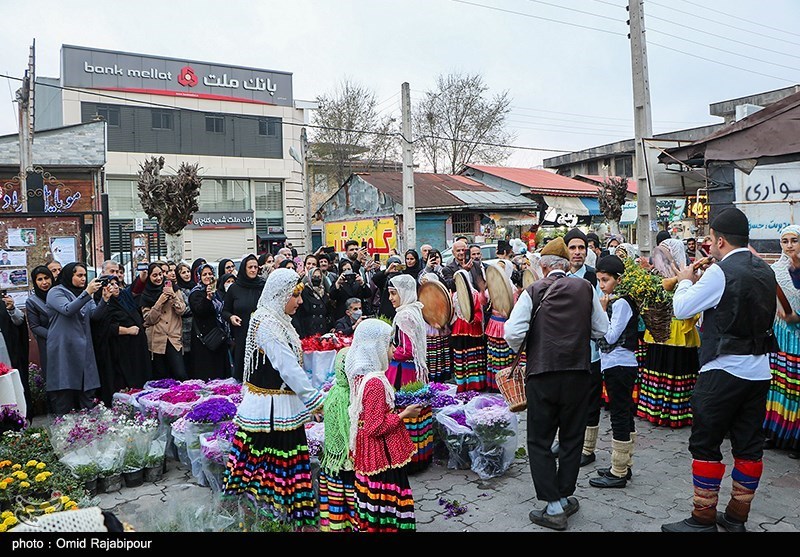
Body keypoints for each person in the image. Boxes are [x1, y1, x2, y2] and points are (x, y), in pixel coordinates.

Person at [661, 207, 777, 533]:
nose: (708, 245)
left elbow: (682, 308)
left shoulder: (720, 272)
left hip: (722, 369)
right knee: (749, 445)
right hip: (759, 371)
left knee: (706, 443)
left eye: (710, 239)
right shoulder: (765, 269)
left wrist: (685, 282)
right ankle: (737, 517)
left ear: (720, 240)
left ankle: (702, 518)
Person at [504, 237, 608, 531]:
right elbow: (602, 329)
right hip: (578, 374)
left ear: (544, 266)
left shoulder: (534, 290)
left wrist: (529, 345)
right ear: (565, 265)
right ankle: (563, 497)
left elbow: (513, 333)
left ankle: (552, 506)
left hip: (543, 374)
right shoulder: (585, 288)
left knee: (539, 439)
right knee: (572, 437)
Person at [222, 268, 325, 530]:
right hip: (269, 410)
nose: (299, 302)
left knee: (279, 462)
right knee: (268, 462)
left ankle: (282, 516)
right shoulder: (267, 323)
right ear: (280, 295)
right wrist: (314, 400)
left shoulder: (276, 319)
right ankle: (266, 517)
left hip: (281, 405)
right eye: (295, 296)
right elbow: (287, 366)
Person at [348, 318, 421, 532]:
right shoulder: (375, 382)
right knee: (388, 495)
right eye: (390, 344)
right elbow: (374, 426)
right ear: (375, 347)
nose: (394, 349)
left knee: (373, 497)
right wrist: (404, 414)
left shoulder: (362, 375)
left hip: (370, 453)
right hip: (382, 455)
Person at [637, 237, 701, 430]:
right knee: (658, 367)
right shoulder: (654, 276)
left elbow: (692, 300)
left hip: (679, 331)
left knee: (677, 369)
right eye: (661, 256)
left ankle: (677, 413)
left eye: (667, 256)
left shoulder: (689, 274)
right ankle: (655, 410)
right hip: (659, 331)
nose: (663, 260)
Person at [589, 255, 639, 489]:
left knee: (620, 415)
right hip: (616, 364)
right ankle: (623, 465)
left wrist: (601, 312)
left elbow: (609, 336)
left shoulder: (620, 303)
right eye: (599, 280)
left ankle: (618, 471)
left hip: (620, 365)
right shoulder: (617, 301)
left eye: (606, 280)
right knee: (624, 413)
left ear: (618, 280)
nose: (602, 285)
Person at [560, 228, 605, 468]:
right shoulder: (558, 276)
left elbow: (599, 312)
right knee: (566, 398)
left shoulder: (593, 277)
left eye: (582, 248)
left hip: (589, 350)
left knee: (589, 399)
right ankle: (567, 441)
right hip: (563, 350)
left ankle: (588, 448)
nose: (578, 252)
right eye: (573, 248)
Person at [386, 273, 432, 472]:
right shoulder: (414, 310)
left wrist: (388, 352)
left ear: (403, 293)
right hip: (415, 371)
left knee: (404, 411)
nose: (391, 298)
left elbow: (405, 350)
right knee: (416, 412)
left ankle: (405, 459)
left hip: (403, 372)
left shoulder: (404, 315)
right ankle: (420, 456)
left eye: (393, 293)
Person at [45, 263, 105, 416]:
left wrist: (105, 299)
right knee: (64, 390)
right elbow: (67, 310)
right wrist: (87, 293)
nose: (83, 279)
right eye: (79, 275)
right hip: (64, 347)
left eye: (85, 275)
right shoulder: (55, 292)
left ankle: (88, 428)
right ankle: (63, 429)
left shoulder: (84, 294)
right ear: (68, 275)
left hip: (83, 347)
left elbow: (94, 315)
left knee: (87, 390)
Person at [763, 225, 800, 458]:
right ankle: (776, 433)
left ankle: (796, 438)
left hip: (797, 338)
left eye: (794, 241)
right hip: (781, 336)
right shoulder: (775, 270)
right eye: (784, 241)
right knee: (778, 384)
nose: (789, 246)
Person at [91, 274, 151, 406]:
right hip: (119, 349)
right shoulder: (105, 304)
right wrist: (127, 330)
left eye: (116, 283)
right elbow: (105, 326)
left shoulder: (124, 299)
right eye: (111, 284)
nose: (115, 287)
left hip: (135, 347)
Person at [318, 347, 357, 532]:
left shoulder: (333, 392)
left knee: (337, 505)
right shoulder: (351, 397)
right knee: (352, 502)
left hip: (333, 462)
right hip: (348, 463)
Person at [140, 262, 188, 381]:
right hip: (157, 339)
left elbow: (182, 310)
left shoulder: (174, 290)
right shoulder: (146, 294)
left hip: (173, 337)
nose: (158, 278)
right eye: (154, 275)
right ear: (149, 277)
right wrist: (159, 302)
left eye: (160, 274)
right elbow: (149, 319)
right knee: (161, 376)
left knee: (180, 373)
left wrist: (173, 297)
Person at [222, 254, 265, 382]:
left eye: (255, 267)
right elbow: (225, 311)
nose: (253, 270)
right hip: (242, 333)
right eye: (250, 267)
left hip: (261, 333)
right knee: (242, 371)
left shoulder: (263, 285)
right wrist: (231, 317)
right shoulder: (234, 288)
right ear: (244, 269)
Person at [188, 264, 231, 380]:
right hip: (205, 337)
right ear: (199, 277)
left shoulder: (216, 292)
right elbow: (200, 311)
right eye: (204, 274)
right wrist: (207, 298)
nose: (208, 277)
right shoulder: (196, 293)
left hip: (218, 335)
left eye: (210, 274)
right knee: (207, 370)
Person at [450, 269, 487, 393]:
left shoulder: (474, 294)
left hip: (472, 329)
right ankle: (463, 384)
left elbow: (478, 314)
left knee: (473, 358)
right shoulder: (454, 295)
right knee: (461, 357)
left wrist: (472, 319)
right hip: (459, 329)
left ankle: (475, 385)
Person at [484, 260, 515, 392]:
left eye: (502, 269)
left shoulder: (512, 289)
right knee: (495, 354)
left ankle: (504, 384)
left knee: (504, 354)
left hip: (505, 324)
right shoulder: (491, 287)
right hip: (494, 323)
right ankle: (495, 384)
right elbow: (484, 299)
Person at [419, 273, 452, 382]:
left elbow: (445, 311)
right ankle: (432, 375)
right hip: (428, 326)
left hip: (439, 326)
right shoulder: (422, 296)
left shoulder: (440, 297)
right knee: (432, 354)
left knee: (440, 353)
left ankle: (441, 375)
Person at [26, 266, 54, 379]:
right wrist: (54, 335)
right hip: (48, 343)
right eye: (40, 279)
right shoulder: (32, 302)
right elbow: (35, 326)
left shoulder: (60, 295)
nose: (44, 282)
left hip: (67, 342)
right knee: (53, 376)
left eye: (47, 278)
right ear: (35, 282)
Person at [291, 267, 333, 339]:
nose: (316, 279)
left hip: (322, 330)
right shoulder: (305, 292)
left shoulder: (324, 293)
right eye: (313, 277)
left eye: (319, 277)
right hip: (308, 330)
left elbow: (329, 312)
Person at [370, 255, 405, 321]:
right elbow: (375, 279)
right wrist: (387, 271)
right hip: (386, 311)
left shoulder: (403, 279)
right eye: (393, 266)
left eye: (397, 266)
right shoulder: (384, 279)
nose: (395, 268)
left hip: (399, 310)